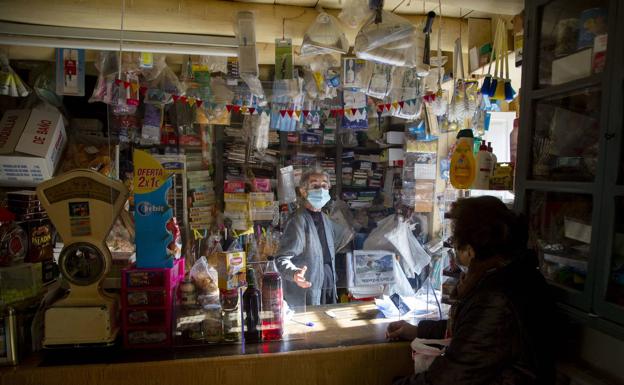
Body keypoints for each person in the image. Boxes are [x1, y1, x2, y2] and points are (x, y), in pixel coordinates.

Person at [387, 196, 556, 385]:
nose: (454, 250)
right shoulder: (518, 276)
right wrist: (419, 330)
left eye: (454, 241)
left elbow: (450, 378)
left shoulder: (496, 298)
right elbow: (473, 331)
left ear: (470, 250)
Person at [276, 168, 351, 307]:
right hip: (308, 288)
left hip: (328, 284)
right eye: (315, 186)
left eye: (324, 186)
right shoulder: (298, 221)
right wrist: (294, 274)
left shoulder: (325, 219)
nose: (321, 190)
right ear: (303, 191)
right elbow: (281, 259)